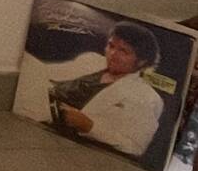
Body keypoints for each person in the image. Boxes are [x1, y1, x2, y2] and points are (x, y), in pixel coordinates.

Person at [15, 22, 165, 159]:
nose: (112, 54)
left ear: (142, 61)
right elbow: (48, 72)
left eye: (124, 51)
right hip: (30, 111)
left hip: (60, 142)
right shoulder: (92, 60)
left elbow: (135, 146)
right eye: (111, 46)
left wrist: (90, 126)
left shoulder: (147, 97)